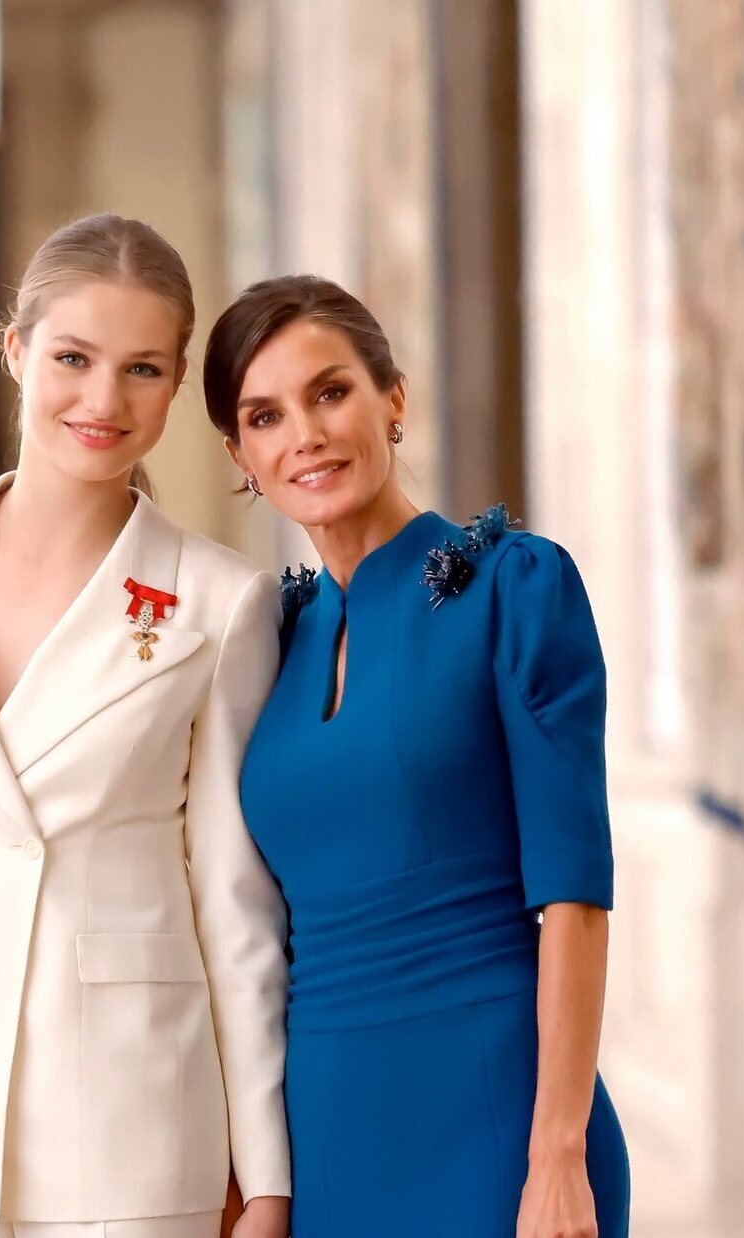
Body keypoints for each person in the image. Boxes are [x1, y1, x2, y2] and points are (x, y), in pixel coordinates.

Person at [0, 214, 292, 1238]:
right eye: (72, 358)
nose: (101, 400)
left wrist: (263, 1169)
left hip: (121, 1102)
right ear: (14, 350)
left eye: (140, 369)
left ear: (177, 384)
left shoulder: (217, 601)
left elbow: (232, 898)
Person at [205, 274, 631, 1237]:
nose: (304, 435)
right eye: (265, 417)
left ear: (392, 398)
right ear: (241, 456)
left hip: (498, 1126)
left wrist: (556, 1153)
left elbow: (575, 892)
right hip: (329, 1137)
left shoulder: (514, 588)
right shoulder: (272, 637)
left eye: (330, 392)